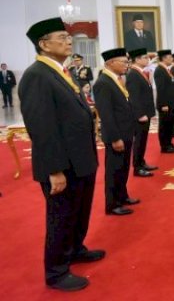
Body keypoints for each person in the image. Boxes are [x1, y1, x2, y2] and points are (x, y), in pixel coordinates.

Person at [20, 17, 103, 292]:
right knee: (62, 216)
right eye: (62, 37)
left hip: (80, 159)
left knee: (79, 211)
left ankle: (75, 249)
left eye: (69, 37)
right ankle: (56, 272)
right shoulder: (37, 76)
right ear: (44, 44)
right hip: (62, 164)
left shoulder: (60, 71)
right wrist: (54, 170)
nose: (69, 41)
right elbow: (41, 127)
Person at [93, 48, 139, 216]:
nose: (127, 65)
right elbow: (106, 114)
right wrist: (115, 138)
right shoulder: (103, 83)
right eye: (123, 62)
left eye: (127, 62)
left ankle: (122, 195)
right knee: (114, 170)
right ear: (110, 63)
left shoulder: (117, 79)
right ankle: (112, 204)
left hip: (126, 132)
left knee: (124, 167)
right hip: (116, 136)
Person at [126, 48, 158, 177]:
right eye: (145, 58)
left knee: (143, 139)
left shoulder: (142, 72)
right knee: (139, 140)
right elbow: (134, 97)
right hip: (141, 114)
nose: (147, 60)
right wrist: (140, 114)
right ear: (137, 60)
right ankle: (137, 167)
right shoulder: (133, 74)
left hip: (146, 112)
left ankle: (141, 161)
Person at [154, 49, 174, 153]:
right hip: (165, 104)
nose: (172, 59)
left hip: (170, 103)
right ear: (164, 58)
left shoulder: (166, 69)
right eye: (170, 57)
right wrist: (164, 104)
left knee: (169, 125)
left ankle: (169, 143)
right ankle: (165, 146)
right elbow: (161, 89)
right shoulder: (160, 70)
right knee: (164, 126)